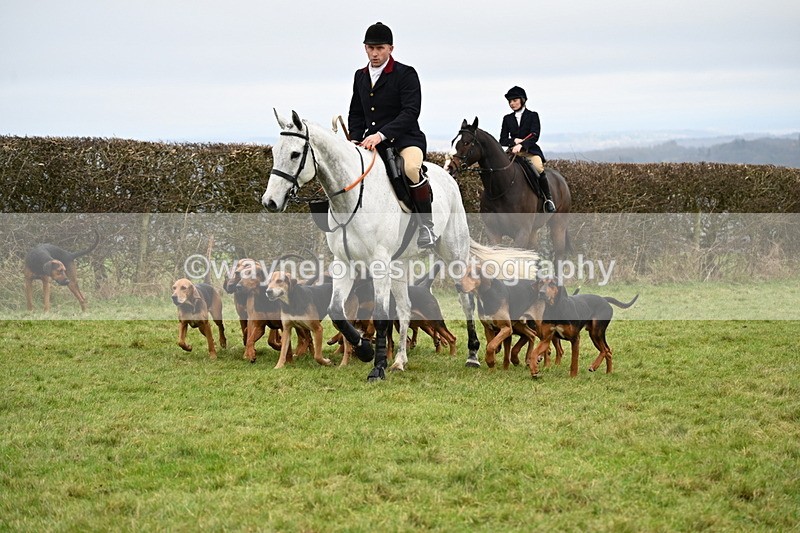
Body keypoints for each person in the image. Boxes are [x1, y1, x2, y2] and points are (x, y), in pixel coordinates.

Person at [348, 21, 436, 248]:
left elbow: (410, 112)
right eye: (370, 48)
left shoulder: (406, 74)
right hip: (371, 142)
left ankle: (426, 224)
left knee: (410, 169)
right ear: (365, 48)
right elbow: (356, 112)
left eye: (380, 48)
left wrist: (382, 134)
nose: (375, 53)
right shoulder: (360, 76)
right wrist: (355, 139)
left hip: (406, 139)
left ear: (391, 49)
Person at [499, 86, 556, 213]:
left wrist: (523, 145)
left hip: (530, 151)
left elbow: (535, 135)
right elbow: (502, 139)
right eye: (510, 101)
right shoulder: (507, 118)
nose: (512, 104)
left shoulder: (532, 116)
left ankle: (548, 199)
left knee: (538, 167)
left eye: (514, 100)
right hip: (513, 152)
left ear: (522, 100)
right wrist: (514, 141)